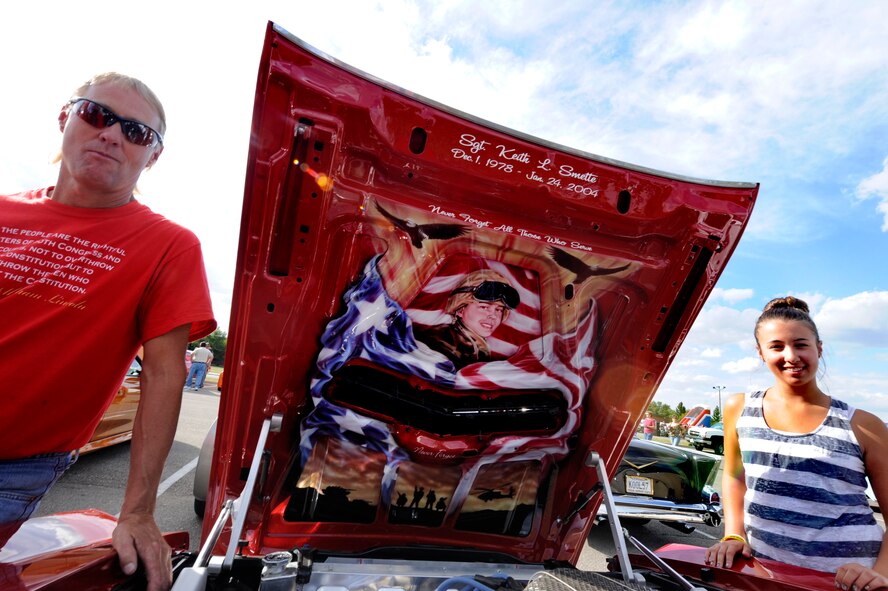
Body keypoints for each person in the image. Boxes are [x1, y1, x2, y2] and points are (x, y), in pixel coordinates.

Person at [0, 72, 216, 591]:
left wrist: (138, 512)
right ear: (65, 118)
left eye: (136, 132)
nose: (111, 135)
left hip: (13, 467)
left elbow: (166, 373)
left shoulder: (169, 245)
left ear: (152, 156)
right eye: (96, 115)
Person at [706, 297, 887, 590]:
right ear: (760, 353)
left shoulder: (864, 424)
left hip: (846, 581)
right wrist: (734, 534)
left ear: (819, 348)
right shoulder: (738, 408)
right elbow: (735, 475)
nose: (791, 356)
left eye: (801, 344)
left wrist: (881, 573)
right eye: (776, 346)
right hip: (766, 574)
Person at [414, 269, 520, 369]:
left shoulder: (474, 347)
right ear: (460, 309)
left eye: (499, 310)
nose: (493, 316)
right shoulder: (440, 343)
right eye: (484, 307)